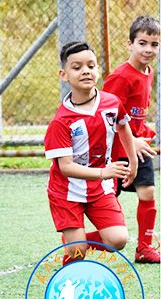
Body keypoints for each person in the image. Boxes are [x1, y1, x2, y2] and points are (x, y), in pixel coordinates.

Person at [44, 41, 137, 266]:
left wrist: (133, 161)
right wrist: (104, 172)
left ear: (98, 70)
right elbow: (66, 167)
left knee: (118, 240)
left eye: (91, 66)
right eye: (77, 67)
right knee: (77, 252)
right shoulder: (61, 121)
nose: (86, 71)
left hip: (99, 188)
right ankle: (73, 252)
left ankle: (76, 242)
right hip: (66, 192)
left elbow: (123, 126)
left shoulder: (111, 103)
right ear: (64, 75)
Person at [102, 16, 160, 263]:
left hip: (138, 145)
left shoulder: (148, 72)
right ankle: (82, 241)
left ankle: (144, 249)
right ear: (130, 44)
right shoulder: (120, 77)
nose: (148, 49)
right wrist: (130, 140)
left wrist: (139, 136)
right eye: (142, 43)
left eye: (154, 44)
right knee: (108, 199)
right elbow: (106, 115)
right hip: (117, 149)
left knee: (148, 193)